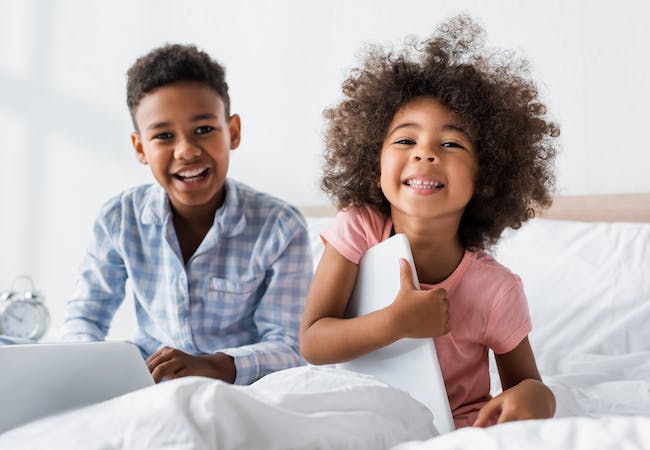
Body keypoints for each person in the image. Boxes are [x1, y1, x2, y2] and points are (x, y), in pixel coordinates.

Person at [299, 15, 559, 429]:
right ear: (374, 157)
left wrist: (535, 397)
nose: (425, 153)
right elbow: (313, 341)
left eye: (451, 143)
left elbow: (528, 386)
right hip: (362, 419)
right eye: (406, 139)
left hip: (455, 428)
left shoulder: (496, 290)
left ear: (487, 175)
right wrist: (395, 323)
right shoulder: (359, 230)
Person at [61, 44, 312, 385]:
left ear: (233, 133)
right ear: (140, 148)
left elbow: (290, 345)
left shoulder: (280, 227)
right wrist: (90, 371)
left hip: (238, 390)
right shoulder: (119, 219)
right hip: (148, 384)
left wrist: (215, 365)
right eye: (164, 136)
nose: (187, 150)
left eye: (204, 129)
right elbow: (83, 320)